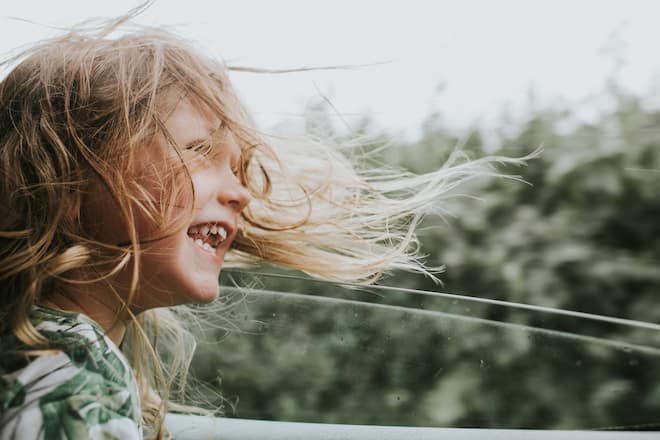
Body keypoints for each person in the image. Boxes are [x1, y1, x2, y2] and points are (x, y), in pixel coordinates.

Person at [0, 5, 530, 440]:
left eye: (238, 167)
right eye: (199, 151)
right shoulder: (69, 389)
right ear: (65, 185)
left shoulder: (51, 350)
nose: (240, 192)